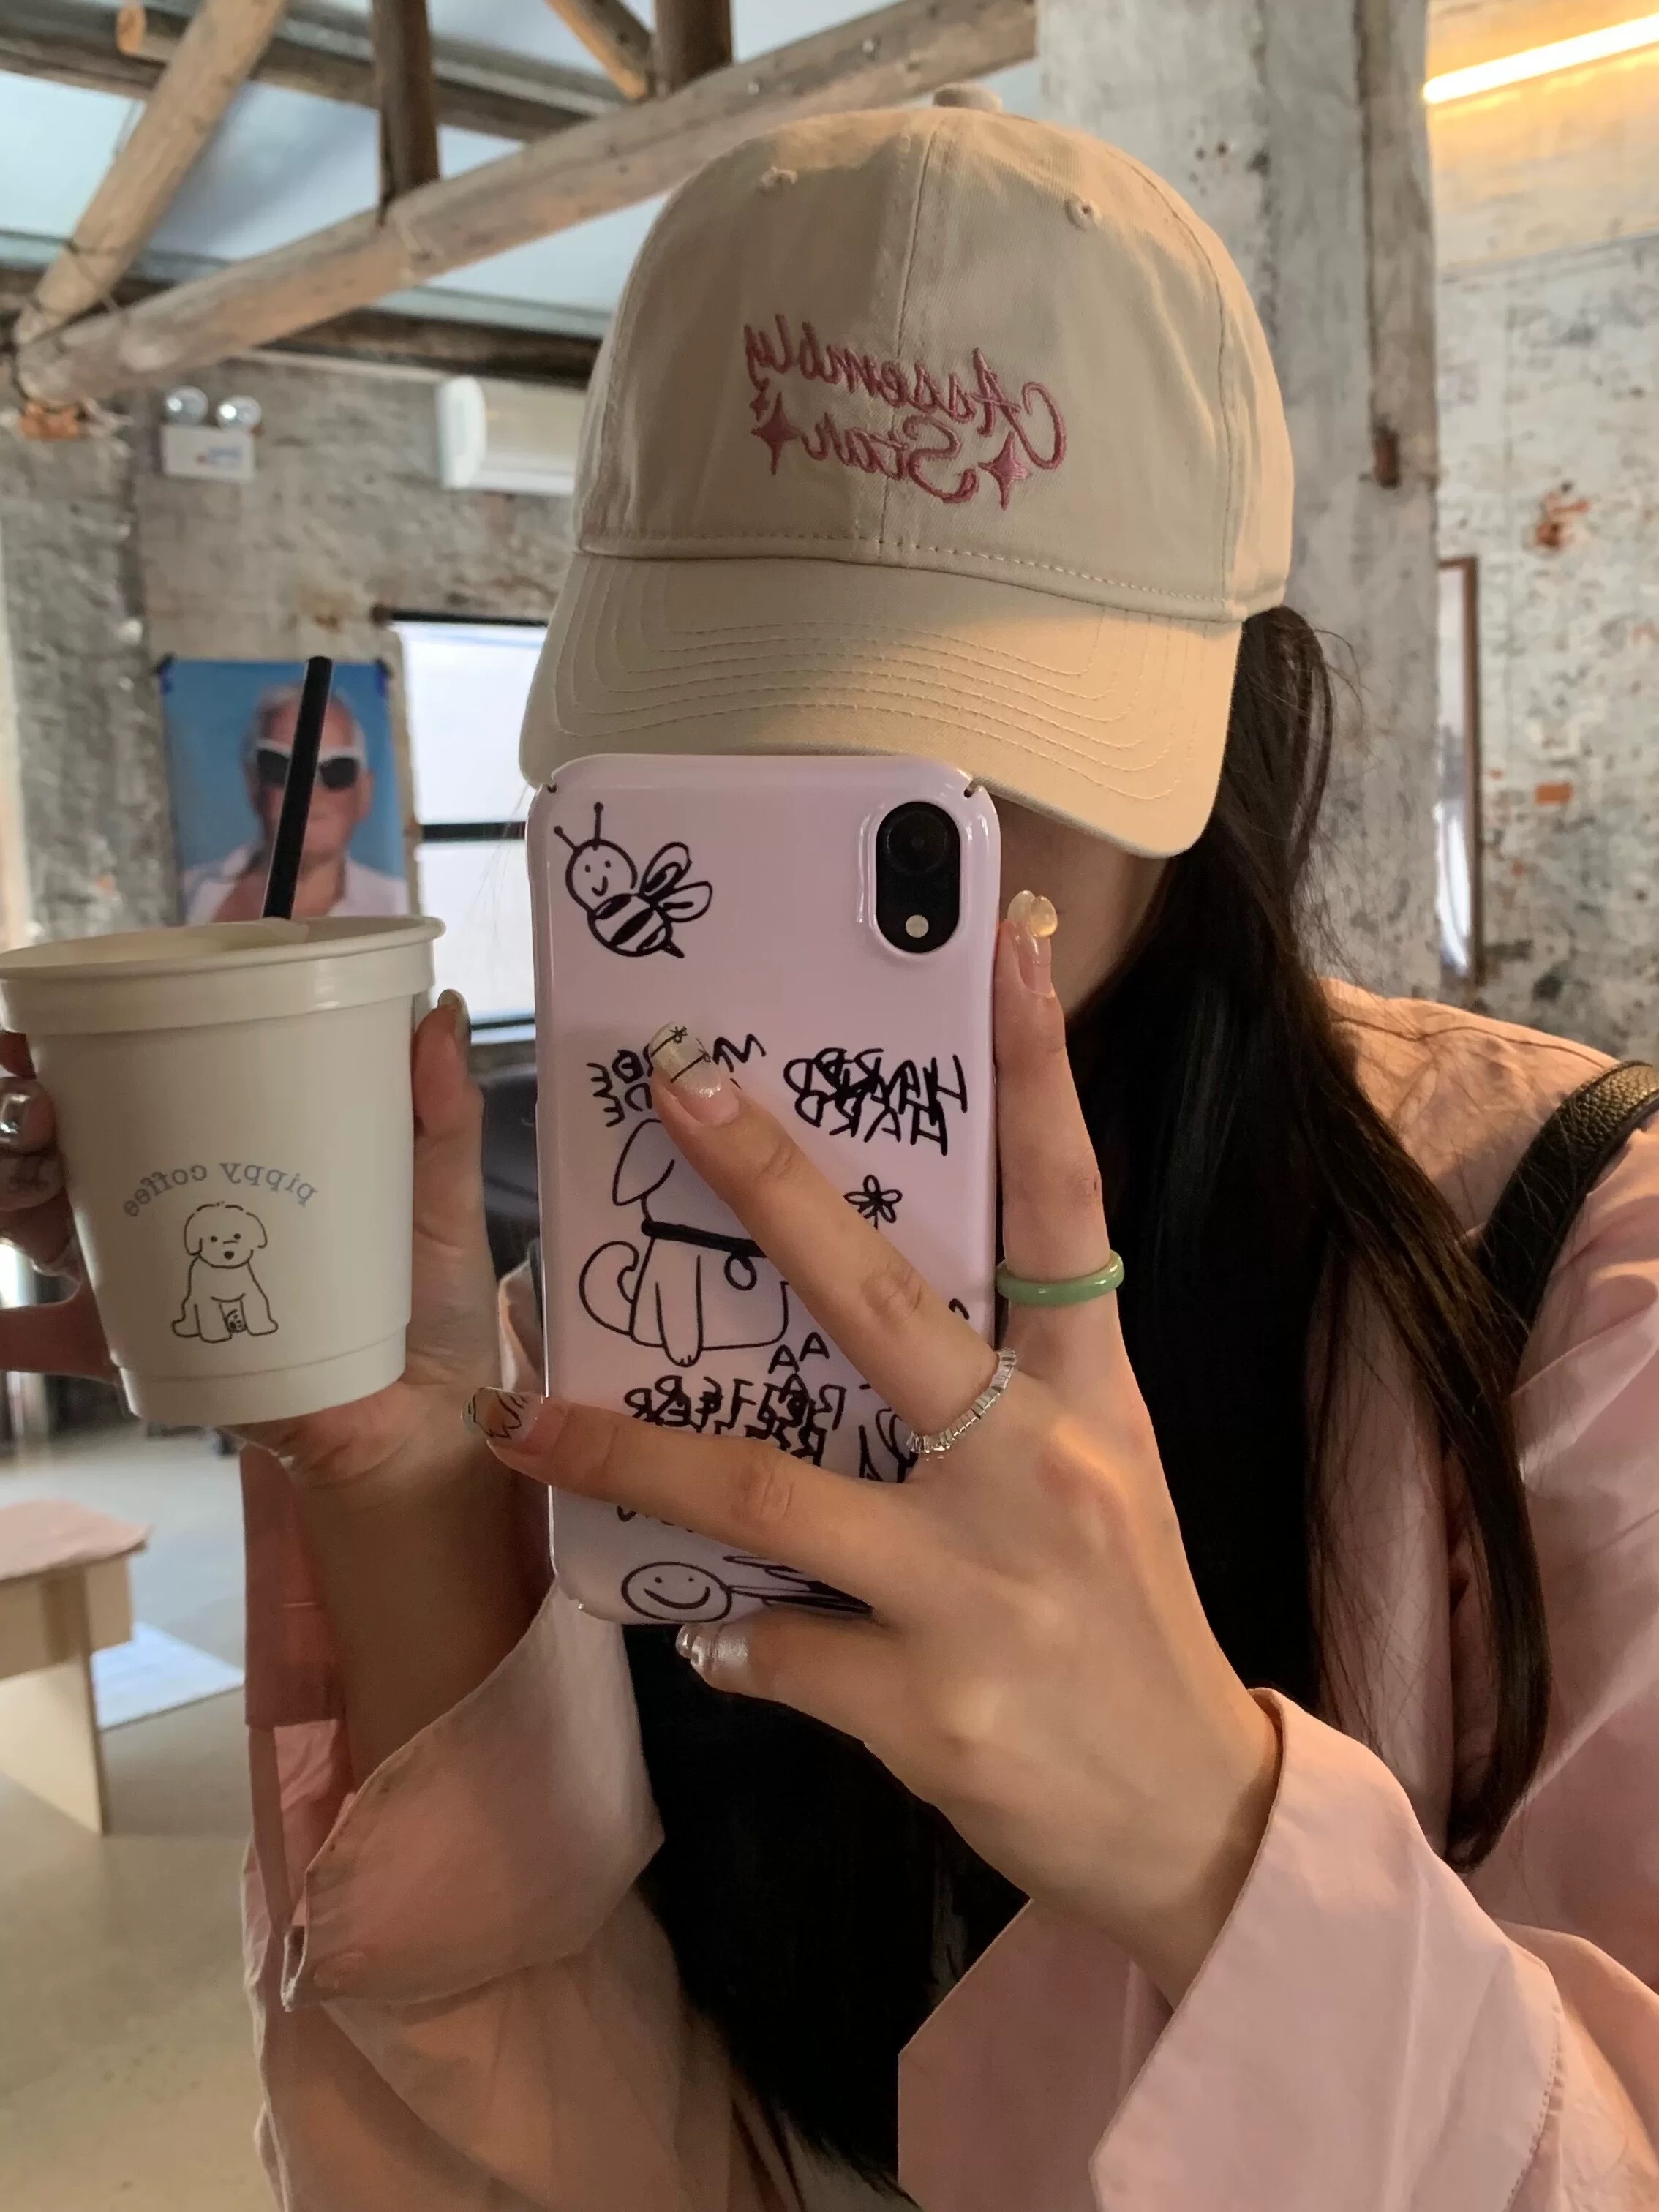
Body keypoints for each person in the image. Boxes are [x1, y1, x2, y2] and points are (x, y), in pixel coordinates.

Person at [4, 97, 1658, 2212]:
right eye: (731, 728)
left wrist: (1207, 1835)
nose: (819, 835)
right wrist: (412, 1488)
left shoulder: (1572, 1289)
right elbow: (614, 2155)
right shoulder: (620, 1297)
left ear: (1238, 726)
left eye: (964, 769)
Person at [181, 685, 409, 922]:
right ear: (253, 783)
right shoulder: (186, 892)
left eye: (336, 769)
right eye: (281, 766)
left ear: (364, 792)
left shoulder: (399, 908)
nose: (308, 790)